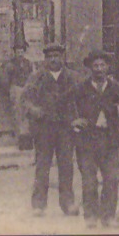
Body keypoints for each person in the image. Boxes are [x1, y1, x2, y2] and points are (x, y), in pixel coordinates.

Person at [69, 50, 119, 227]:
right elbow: (64, 105)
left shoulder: (115, 87)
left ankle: (108, 217)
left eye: (102, 65)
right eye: (95, 66)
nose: (99, 69)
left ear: (108, 67)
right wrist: (74, 120)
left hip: (109, 140)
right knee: (89, 181)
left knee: (111, 180)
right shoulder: (81, 88)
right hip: (87, 141)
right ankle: (90, 216)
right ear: (90, 68)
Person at [22, 42, 81, 216]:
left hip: (65, 129)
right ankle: (39, 204)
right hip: (44, 128)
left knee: (66, 166)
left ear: (62, 57)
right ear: (45, 59)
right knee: (42, 166)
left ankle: (68, 203)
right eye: (50, 56)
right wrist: (34, 110)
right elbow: (25, 99)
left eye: (57, 56)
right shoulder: (37, 77)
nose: (54, 59)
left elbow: (82, 99)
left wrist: (77, 119)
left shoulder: (73, 77)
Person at [2, 41, 35, 142]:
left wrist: (30, 86)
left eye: (21, 52)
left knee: (26, 110)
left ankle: (26, 134)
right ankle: (18, 133)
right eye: (18, 52)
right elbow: (6, 79)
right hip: (15, 88)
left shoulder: (28, 63)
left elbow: (32, 76)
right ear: (14, 53)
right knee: (17, 111)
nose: (20, 54)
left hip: (26, 88)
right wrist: (10, 90)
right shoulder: (10, 64)